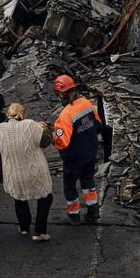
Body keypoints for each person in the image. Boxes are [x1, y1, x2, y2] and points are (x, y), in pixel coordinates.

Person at [0, 103, 54, 242]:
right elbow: (45, 142)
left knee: (19, 198)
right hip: (35, 171)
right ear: (22, 114)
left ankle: (24, 227)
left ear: (8, 115)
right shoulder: (30, 125)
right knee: (45, 198)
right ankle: (39, 232)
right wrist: (45, 128)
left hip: (14, 173)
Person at [51, 75, 102, 225]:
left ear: (61, 94)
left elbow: (62, 142)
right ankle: (93, 212)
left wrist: (53, 136)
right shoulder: (87, 103)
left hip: (74, 159)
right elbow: (98, 125)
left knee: (70, 188)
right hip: (90, 153)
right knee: (88, 183)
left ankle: (74, 216)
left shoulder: (65, 115)